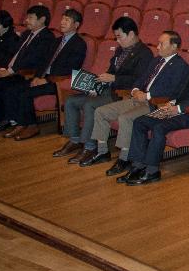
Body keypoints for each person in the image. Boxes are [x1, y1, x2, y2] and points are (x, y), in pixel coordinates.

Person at [118, 30, 189, 185]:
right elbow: (178, 91)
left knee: (159, 127)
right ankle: (137, 165)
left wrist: (179, 108)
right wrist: (172, 102)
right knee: (140, 122)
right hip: (177, 108)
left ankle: (152, 171)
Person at [84, 31, 189, 176]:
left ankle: (124, 158)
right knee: (101, 112)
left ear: (174, 46)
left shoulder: (180, 66)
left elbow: (172, 90)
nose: (158, 47)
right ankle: (102, 152)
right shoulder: (156, 60)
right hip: (136, 98)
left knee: (125, 118)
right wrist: (134, 90)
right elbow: (141, 79)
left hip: (152, 103)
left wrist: (146, 95)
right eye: (158, 43)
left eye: (161, 44)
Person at [58, 17, 153, 162]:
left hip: (122, 94)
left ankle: (90, 147)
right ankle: (75, 139)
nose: (117, 41)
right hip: (108, 89)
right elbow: (111, 71)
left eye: (120, 37)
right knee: (71, 101)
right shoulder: (120, 50)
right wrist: (97, 84)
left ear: (132, 34)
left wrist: (114, 79)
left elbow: (139, 80)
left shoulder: (144, 53)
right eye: (116, 37)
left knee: (90, 104)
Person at [0, 8, 87, 140]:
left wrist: (47, 80)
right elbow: (44, 62)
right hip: (43, 78)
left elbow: (71, 70)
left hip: (58, 82)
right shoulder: (57, 41)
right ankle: (21, 123)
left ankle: (31, 126)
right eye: (62, 19)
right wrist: (37, 77)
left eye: (67, 20)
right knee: (14, 88)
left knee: (25, 93)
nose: (62, 22)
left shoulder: (79, 44)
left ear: (76, 25)